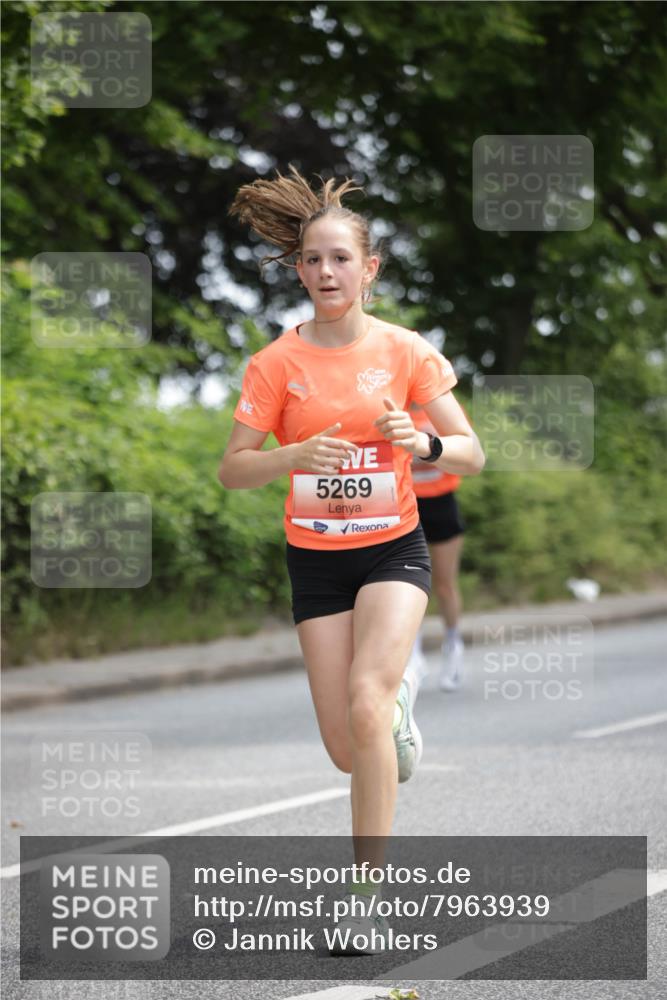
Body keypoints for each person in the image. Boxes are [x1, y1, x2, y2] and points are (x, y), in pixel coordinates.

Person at [219, 165, 485, 951]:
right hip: (316, 562)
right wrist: (292, 453)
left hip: (394, 550)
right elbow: (233, 469)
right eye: (312, 260)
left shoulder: (405, 352)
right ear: (297, 270)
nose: (325, 272)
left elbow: (470, 452)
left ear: (367, 270)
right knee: (348, 747)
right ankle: (392, 716)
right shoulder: (276, 364)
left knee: (366, 699)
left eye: (340, 258)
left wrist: (423, 441)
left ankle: (362, 899)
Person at [407, 404, 467, 692]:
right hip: (406, 504)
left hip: (442, 503)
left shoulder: (444, 409)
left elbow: (465, 454)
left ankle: (453, 645)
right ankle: (412, 653)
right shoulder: (393, 406)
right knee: (409, 585)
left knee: (443, 584)